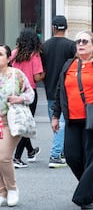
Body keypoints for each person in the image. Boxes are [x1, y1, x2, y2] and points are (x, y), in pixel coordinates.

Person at [52, 31, 93, 209]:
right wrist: (55, 115)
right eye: (78, 41)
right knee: (72, 156)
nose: (80, 44)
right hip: (72, 119)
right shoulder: (69, 65)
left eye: (85, 41)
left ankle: (85, 198)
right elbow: (60, 91)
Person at [0, 44, 34, 207]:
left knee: (3, 157)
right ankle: (2, 191)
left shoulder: (16, 74)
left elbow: (30, 93)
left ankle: (12, 189)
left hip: (11, 121)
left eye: (0, 54)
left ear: (8, 58)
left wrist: (20, 99)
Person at [42, 15, 76, 168]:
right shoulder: (71, 46)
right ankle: (56, 154)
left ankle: (60, 151)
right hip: (67, 88)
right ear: (66, 28)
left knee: (54, 122)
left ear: (53, 28)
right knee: (62, 122)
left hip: (50, 88)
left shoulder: (45, 46)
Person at [10, 28, 44, 168]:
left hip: (15, 91)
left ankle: (30, 151)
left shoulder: (14, 53)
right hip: (29, 93)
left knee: (22, 121)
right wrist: (44, 74)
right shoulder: (34, 55)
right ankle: (17, 158)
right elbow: (37, 77)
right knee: (26, 124)